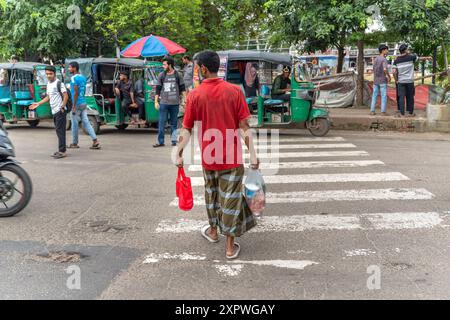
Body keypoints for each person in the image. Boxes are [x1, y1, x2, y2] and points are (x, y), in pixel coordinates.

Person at [176, 50, 259, 260]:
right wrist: (254, 155)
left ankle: (213, 232)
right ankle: (229, 247)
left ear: (203, 68)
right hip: (231, 158)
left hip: (208, 157)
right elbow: (244, 126)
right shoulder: (234, 91)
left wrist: (178, 154)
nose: (196, 71)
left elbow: (186, 129)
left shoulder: (195, 95)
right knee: (230, 199)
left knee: (212, 197)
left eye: (197, 67)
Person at [30, 66, 68, 159]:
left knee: (60, 131)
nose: (48, 76)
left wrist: (62, 106)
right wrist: (38, 103)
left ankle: (62, 151)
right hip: (54, 111)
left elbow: (65, 95)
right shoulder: (49, 84)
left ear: (54, 73)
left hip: (60, 111)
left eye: (50, 74)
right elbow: (48, 97)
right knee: (58, 131)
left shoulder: (59, 83)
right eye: (47, 74)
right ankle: (61, 149)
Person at [153, 56, 186, 148]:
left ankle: (174, 141)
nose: (163, 66)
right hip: (163, 103)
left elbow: (182, 88)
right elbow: (158, 90)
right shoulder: (161, 75)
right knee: (161, 122)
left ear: (170, 65)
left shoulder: (178, 75)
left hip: (175, 104)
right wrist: (156, 102)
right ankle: (160, 141)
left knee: (174, 123)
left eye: (164, 64)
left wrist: (185, 100)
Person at [67, 61, 100, 149]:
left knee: (74, 124)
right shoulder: (83, 77)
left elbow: (76, 92)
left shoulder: (73, 78)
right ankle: (95, 140)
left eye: (69, 67)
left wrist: (73, 106)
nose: (68, 69)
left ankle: (74, 143)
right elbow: (83, 90)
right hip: (83, 102)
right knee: (86, 123)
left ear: (74, 68)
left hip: (76, 103)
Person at [393, 44, 417, 117]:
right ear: (405, 50)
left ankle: (402, 113)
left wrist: (396, 80)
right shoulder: (411, 57)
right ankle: (410, 112)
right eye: (407, 49)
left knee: (401, 97)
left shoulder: (396, 60)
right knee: (410, 97)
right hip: (409, 81)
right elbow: (417, 58)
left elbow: (394, 72)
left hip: (401, 81)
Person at [370, 44, 391, 116]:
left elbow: (373, 69)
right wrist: (388, 76)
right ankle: (383, 112)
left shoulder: (375, 59)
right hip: (382, 80)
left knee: (374, 95)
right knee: (383, 96)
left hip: (375, 80)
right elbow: (385, 69)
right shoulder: (384, 59)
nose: (387, 51)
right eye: (386, 50)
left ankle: (372, 111)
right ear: (383, 50)